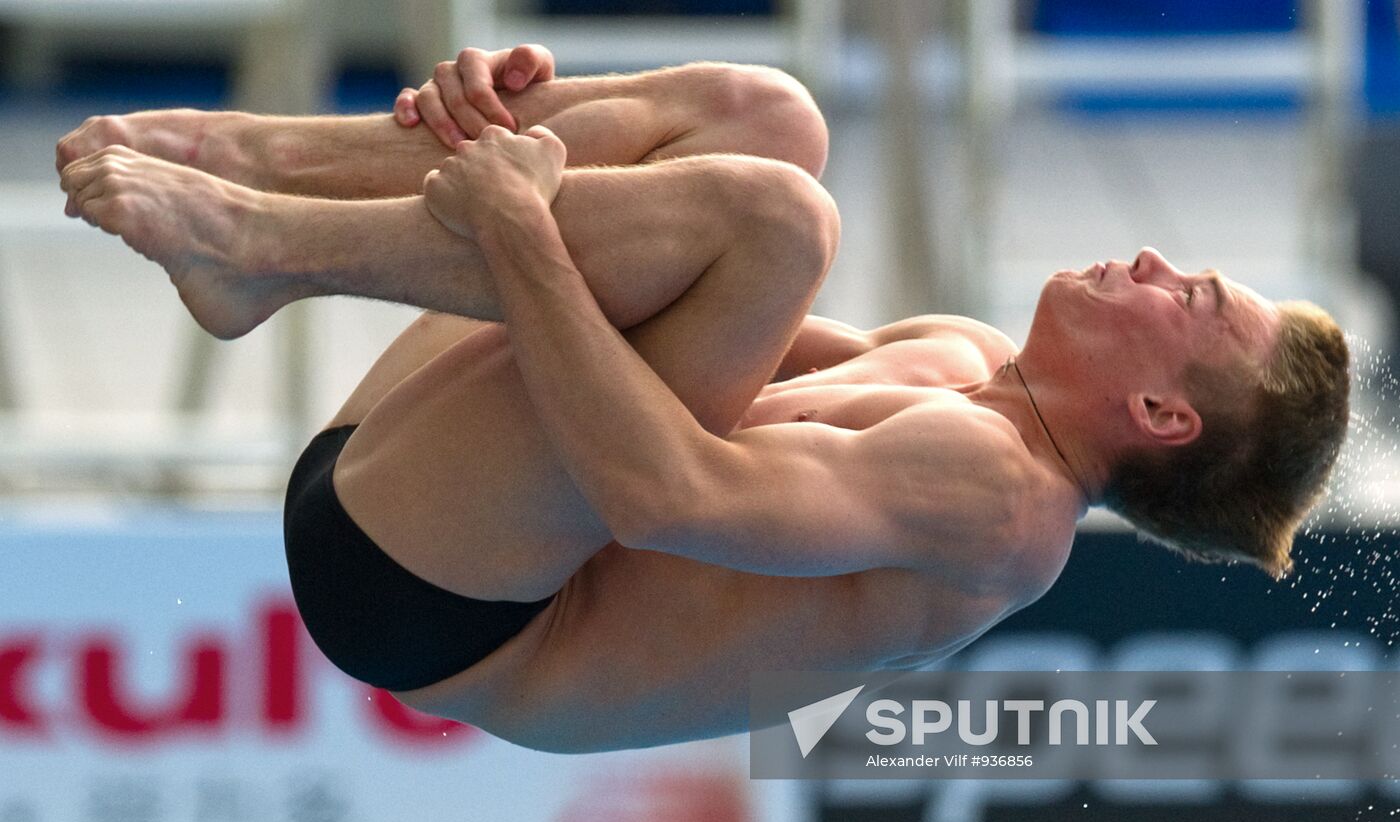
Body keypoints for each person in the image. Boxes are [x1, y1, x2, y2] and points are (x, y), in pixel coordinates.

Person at [55, 46, 1350, 753]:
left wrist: (520, 222)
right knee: (764, 116)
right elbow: (655, 288)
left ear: (1162, 415)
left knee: (779, 221)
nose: (1157, 259)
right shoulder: (964, 356)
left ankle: (261, 241)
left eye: (1193, 299)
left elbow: (659, 493)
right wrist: (507, 136)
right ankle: (260, 165)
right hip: (438, 495)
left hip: (437, 601)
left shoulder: (1002, 506)